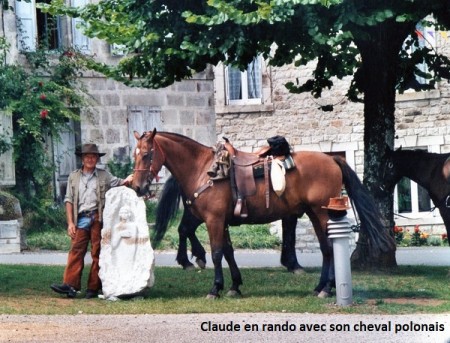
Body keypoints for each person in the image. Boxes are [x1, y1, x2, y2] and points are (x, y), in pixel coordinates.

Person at [50, 143, 133, 299]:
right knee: (76, 251)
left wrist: (130, 178)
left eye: (93, 156)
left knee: (97, 252)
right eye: (87, 156)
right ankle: (70, 286)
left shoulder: (104, 175)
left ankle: (93, 288)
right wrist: (70, 223)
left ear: (97, 159)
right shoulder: (73, 177)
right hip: (80, 218)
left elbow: (120, 182)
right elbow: (68, 200)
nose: (90, 159)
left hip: (97, 218)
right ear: (82, 158)